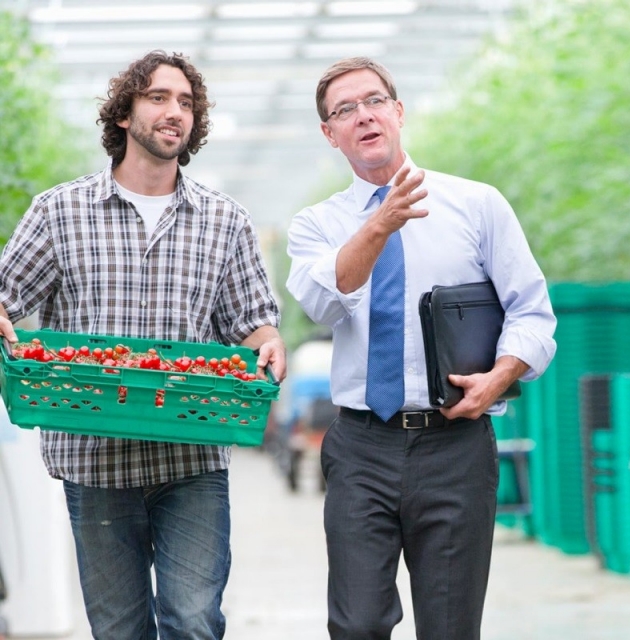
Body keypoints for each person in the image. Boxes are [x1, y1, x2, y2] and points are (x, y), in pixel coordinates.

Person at [0, 50, 286, 639]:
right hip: (94, 456)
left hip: (193, 456)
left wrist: (269, 342)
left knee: (194, 621)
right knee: (119, 629)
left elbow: (252, 322)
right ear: (125, 115)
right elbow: (6, 294)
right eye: (158, 97)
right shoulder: (60, 212)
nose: (174, 111)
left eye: (186, 102)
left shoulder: (224, 220)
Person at [285, 56, 557, 639]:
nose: (364, 116)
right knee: (357, 624)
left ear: (399, 112)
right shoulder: (316, 225)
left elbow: (532, 314)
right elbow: (323, 304)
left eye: (375, 101)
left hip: (454, 446)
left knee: (451, 627)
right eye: (344, 110)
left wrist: (500, 377)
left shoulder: (477, 206)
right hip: (362, 445)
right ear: (329, 134)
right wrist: (379, 224)